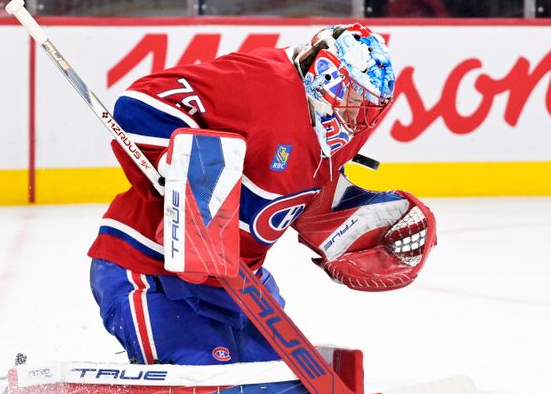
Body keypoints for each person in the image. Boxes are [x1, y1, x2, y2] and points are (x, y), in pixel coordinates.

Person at [87, 23, 434, 368]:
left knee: (275, 381)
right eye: (354, 98)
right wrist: (191, 174)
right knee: (205, 373)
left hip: (239, 285)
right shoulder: (260, 84)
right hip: (149, 267)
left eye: (368, 105)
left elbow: (304, 190)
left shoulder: (346, 124)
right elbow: (140, 104)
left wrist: (347, 219)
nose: (359, 115)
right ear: (326, 74)